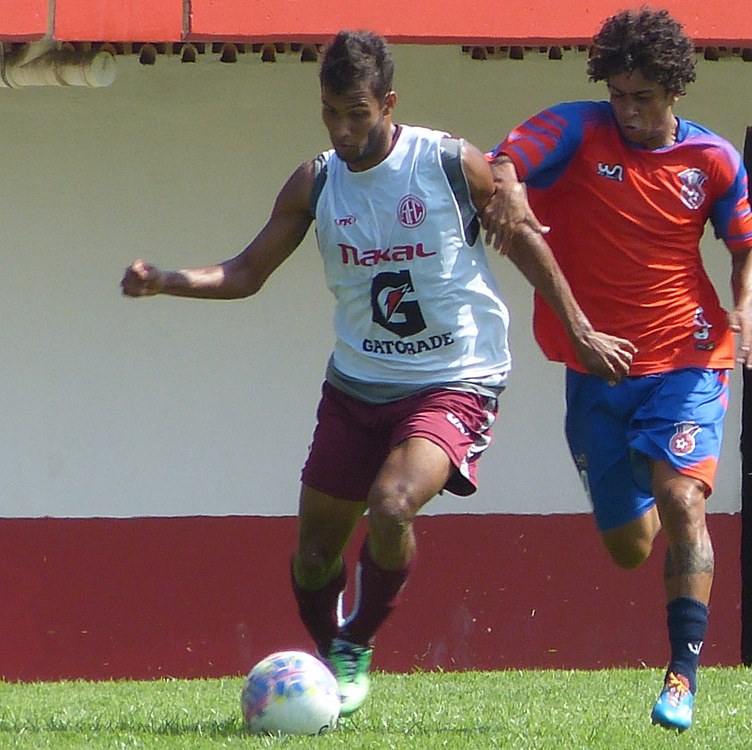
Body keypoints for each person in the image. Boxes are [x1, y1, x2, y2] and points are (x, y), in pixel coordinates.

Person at [120, 30, 633, 716]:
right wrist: (167, 281)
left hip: (455, 375)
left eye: (356, 113)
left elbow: (523, 243)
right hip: (356, 384)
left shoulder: (448, 163)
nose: (342, 129)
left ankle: (356, 643)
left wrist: (580, 329)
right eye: (330, 113)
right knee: (313, 557)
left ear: (388, 104)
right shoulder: (317, 182)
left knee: (392, 504)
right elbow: (245, 272)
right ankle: (331, 662)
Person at [483, 7, 752, 732]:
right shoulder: (577, 129)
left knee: (682, 501)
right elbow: (505, 159)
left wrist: (747, 311)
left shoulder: (713, 160)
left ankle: (683, 675)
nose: (628, 110)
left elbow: (749, 250)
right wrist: (507, 182)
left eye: (643, 97)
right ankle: (644, 460)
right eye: (618, 95)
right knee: (628, 548)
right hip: (598, 371)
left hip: (689, 355)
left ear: (674, 90)